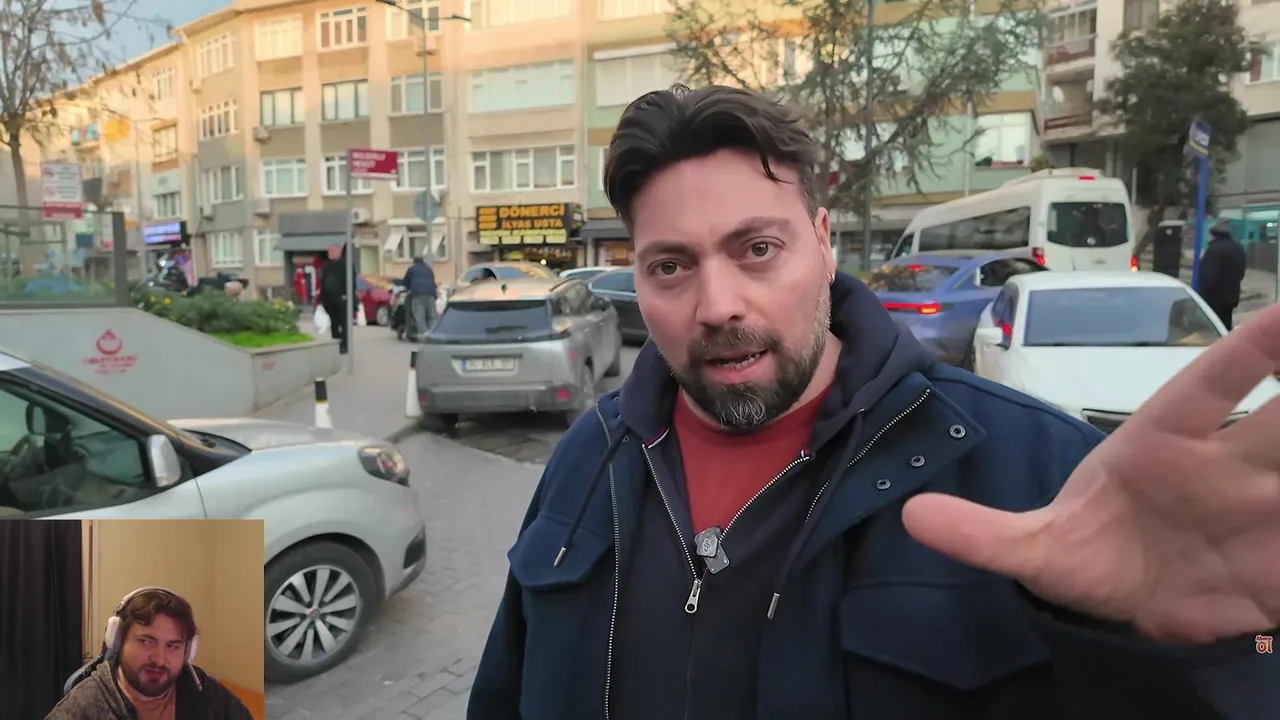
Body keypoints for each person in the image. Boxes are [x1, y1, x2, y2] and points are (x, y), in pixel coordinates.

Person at [468, 85, 1279, 719]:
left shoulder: (1041, 472)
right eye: (670, 267)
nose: (717, 305)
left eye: (758, 249)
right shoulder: (589, 463)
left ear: (823, 243)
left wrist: (1194, 655)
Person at [47, 587, 252, 720]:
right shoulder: (83, 707)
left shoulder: (207, 695)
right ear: (118, 642)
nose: (159, 659)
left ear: (188, 652)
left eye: (173, 646)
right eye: (146, 641)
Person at [1198, 219, 1247, 330]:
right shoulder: (1238, 248)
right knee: (1225, 324)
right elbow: (1241, 272)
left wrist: (1202, 294)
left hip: (1214, 298)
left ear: (1213, 234)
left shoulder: (1214, 250)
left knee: (1212, 327)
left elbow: (1209, 276)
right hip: (1231, 296)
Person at [318, 244, 357, 350]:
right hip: (330, 302)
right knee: (334, 325)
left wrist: (345, 297)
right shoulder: (327, 266)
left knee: (344, 325)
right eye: (329, 251)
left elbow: (351, 283)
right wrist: (322, 299)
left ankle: (344, 346)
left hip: (342, 301)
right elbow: (323, 283)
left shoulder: (346, 265)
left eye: (332, 251)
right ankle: (336, 343)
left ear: (339, 251)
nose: (329, 253)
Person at [401, 253, 438, 338]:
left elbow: (405, 283)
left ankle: (424, 335)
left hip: (418, 295)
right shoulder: (429, 269)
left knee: (419, 316)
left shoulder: (411, 269)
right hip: (430, 294)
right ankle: (433, 334)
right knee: (431, 316)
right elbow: (432, 281)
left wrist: (408, 288)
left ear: (414, 261)